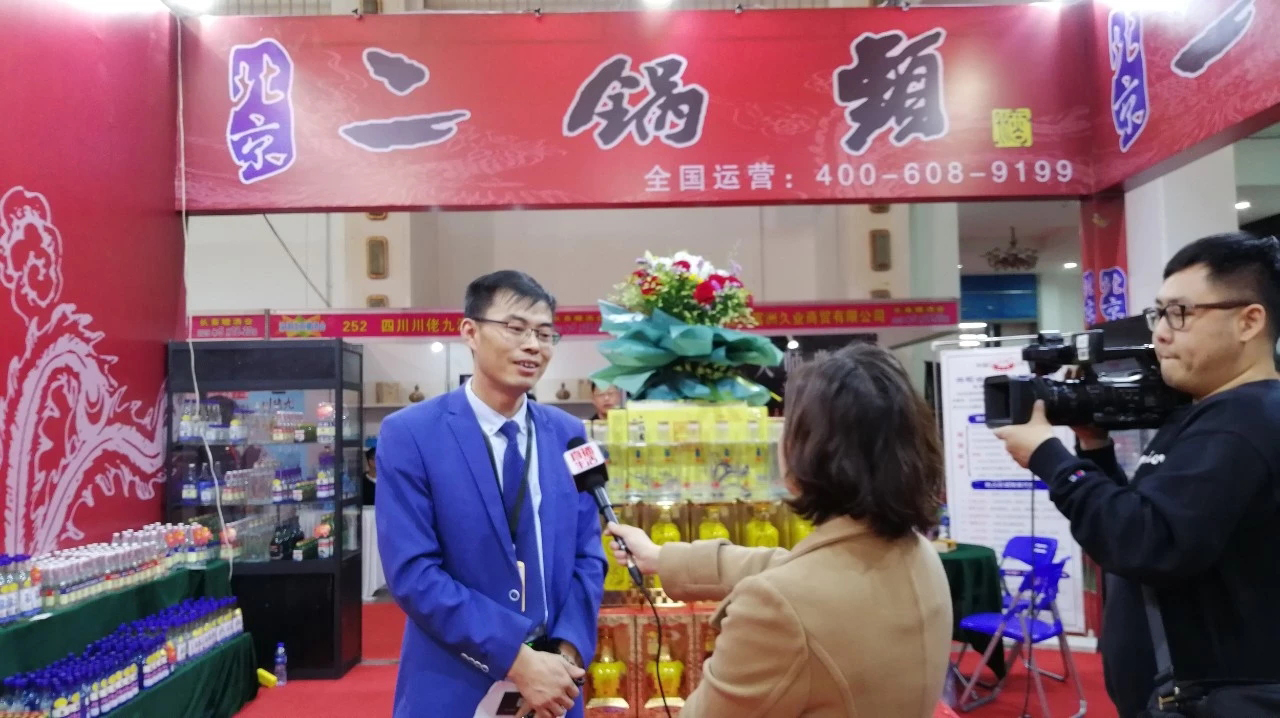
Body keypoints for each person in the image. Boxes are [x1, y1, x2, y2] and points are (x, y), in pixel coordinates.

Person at [993, 232, 1280, 717]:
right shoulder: (1211, 416)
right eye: (1158, 314)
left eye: (1180, 314)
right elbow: (1144, 521)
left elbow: (1146, 544)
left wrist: (1049, 457)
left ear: (1249, 321)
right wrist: (1094, 447)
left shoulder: (1242, 423)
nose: (1161, 333)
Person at [607, 343, 952, 717]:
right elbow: (789, 568)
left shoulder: (779, 610)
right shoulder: (919, 554)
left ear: (810, 451)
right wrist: (662, 558)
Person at [376, 270, 607, 718]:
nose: (533, 345)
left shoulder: (569, 435)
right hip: (455, 683)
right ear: (470, 332)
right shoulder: (411, 434)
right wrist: (516, 659)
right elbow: (413, 573)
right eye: (515, 328)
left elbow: (589, 555)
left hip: (556, 689)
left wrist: (565, 654)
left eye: (544, 333)